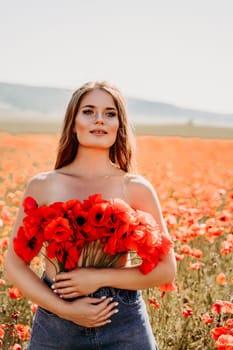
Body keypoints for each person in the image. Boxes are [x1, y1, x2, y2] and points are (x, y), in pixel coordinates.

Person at [5, 81, 176, 349]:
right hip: (55, 326)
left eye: (110, 113)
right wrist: (65, 309)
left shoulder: (135, 187)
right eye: (88, 111)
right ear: (73, 123)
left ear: (119, 125)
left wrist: (98, 278)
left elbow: (167, 269)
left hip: (123, 322)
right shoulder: (43, 185)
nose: (100, 120)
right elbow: (14, 265)